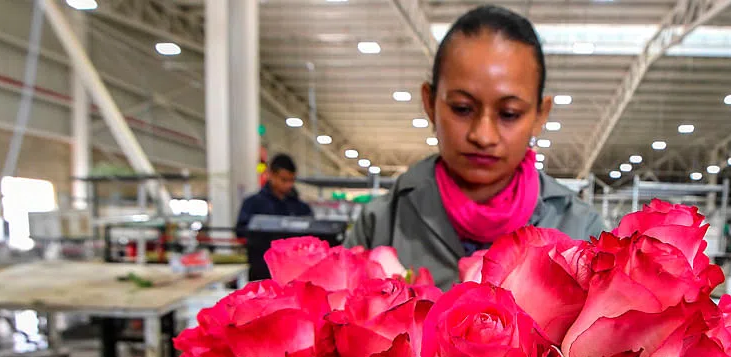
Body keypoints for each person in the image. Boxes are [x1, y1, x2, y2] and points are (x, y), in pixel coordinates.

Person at [345, 4, 603, 289]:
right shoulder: (382, 222)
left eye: (509, 114)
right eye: (462, 108)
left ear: (540, 115)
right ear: (430, 103)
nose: (483, 135)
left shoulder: (581, 230)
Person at [235, 153, 313, 238]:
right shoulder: (252, 204)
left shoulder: (302, 208)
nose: (289, 185)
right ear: (271, 175)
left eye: (292, 180)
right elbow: (241, 231)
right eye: (284, 180)